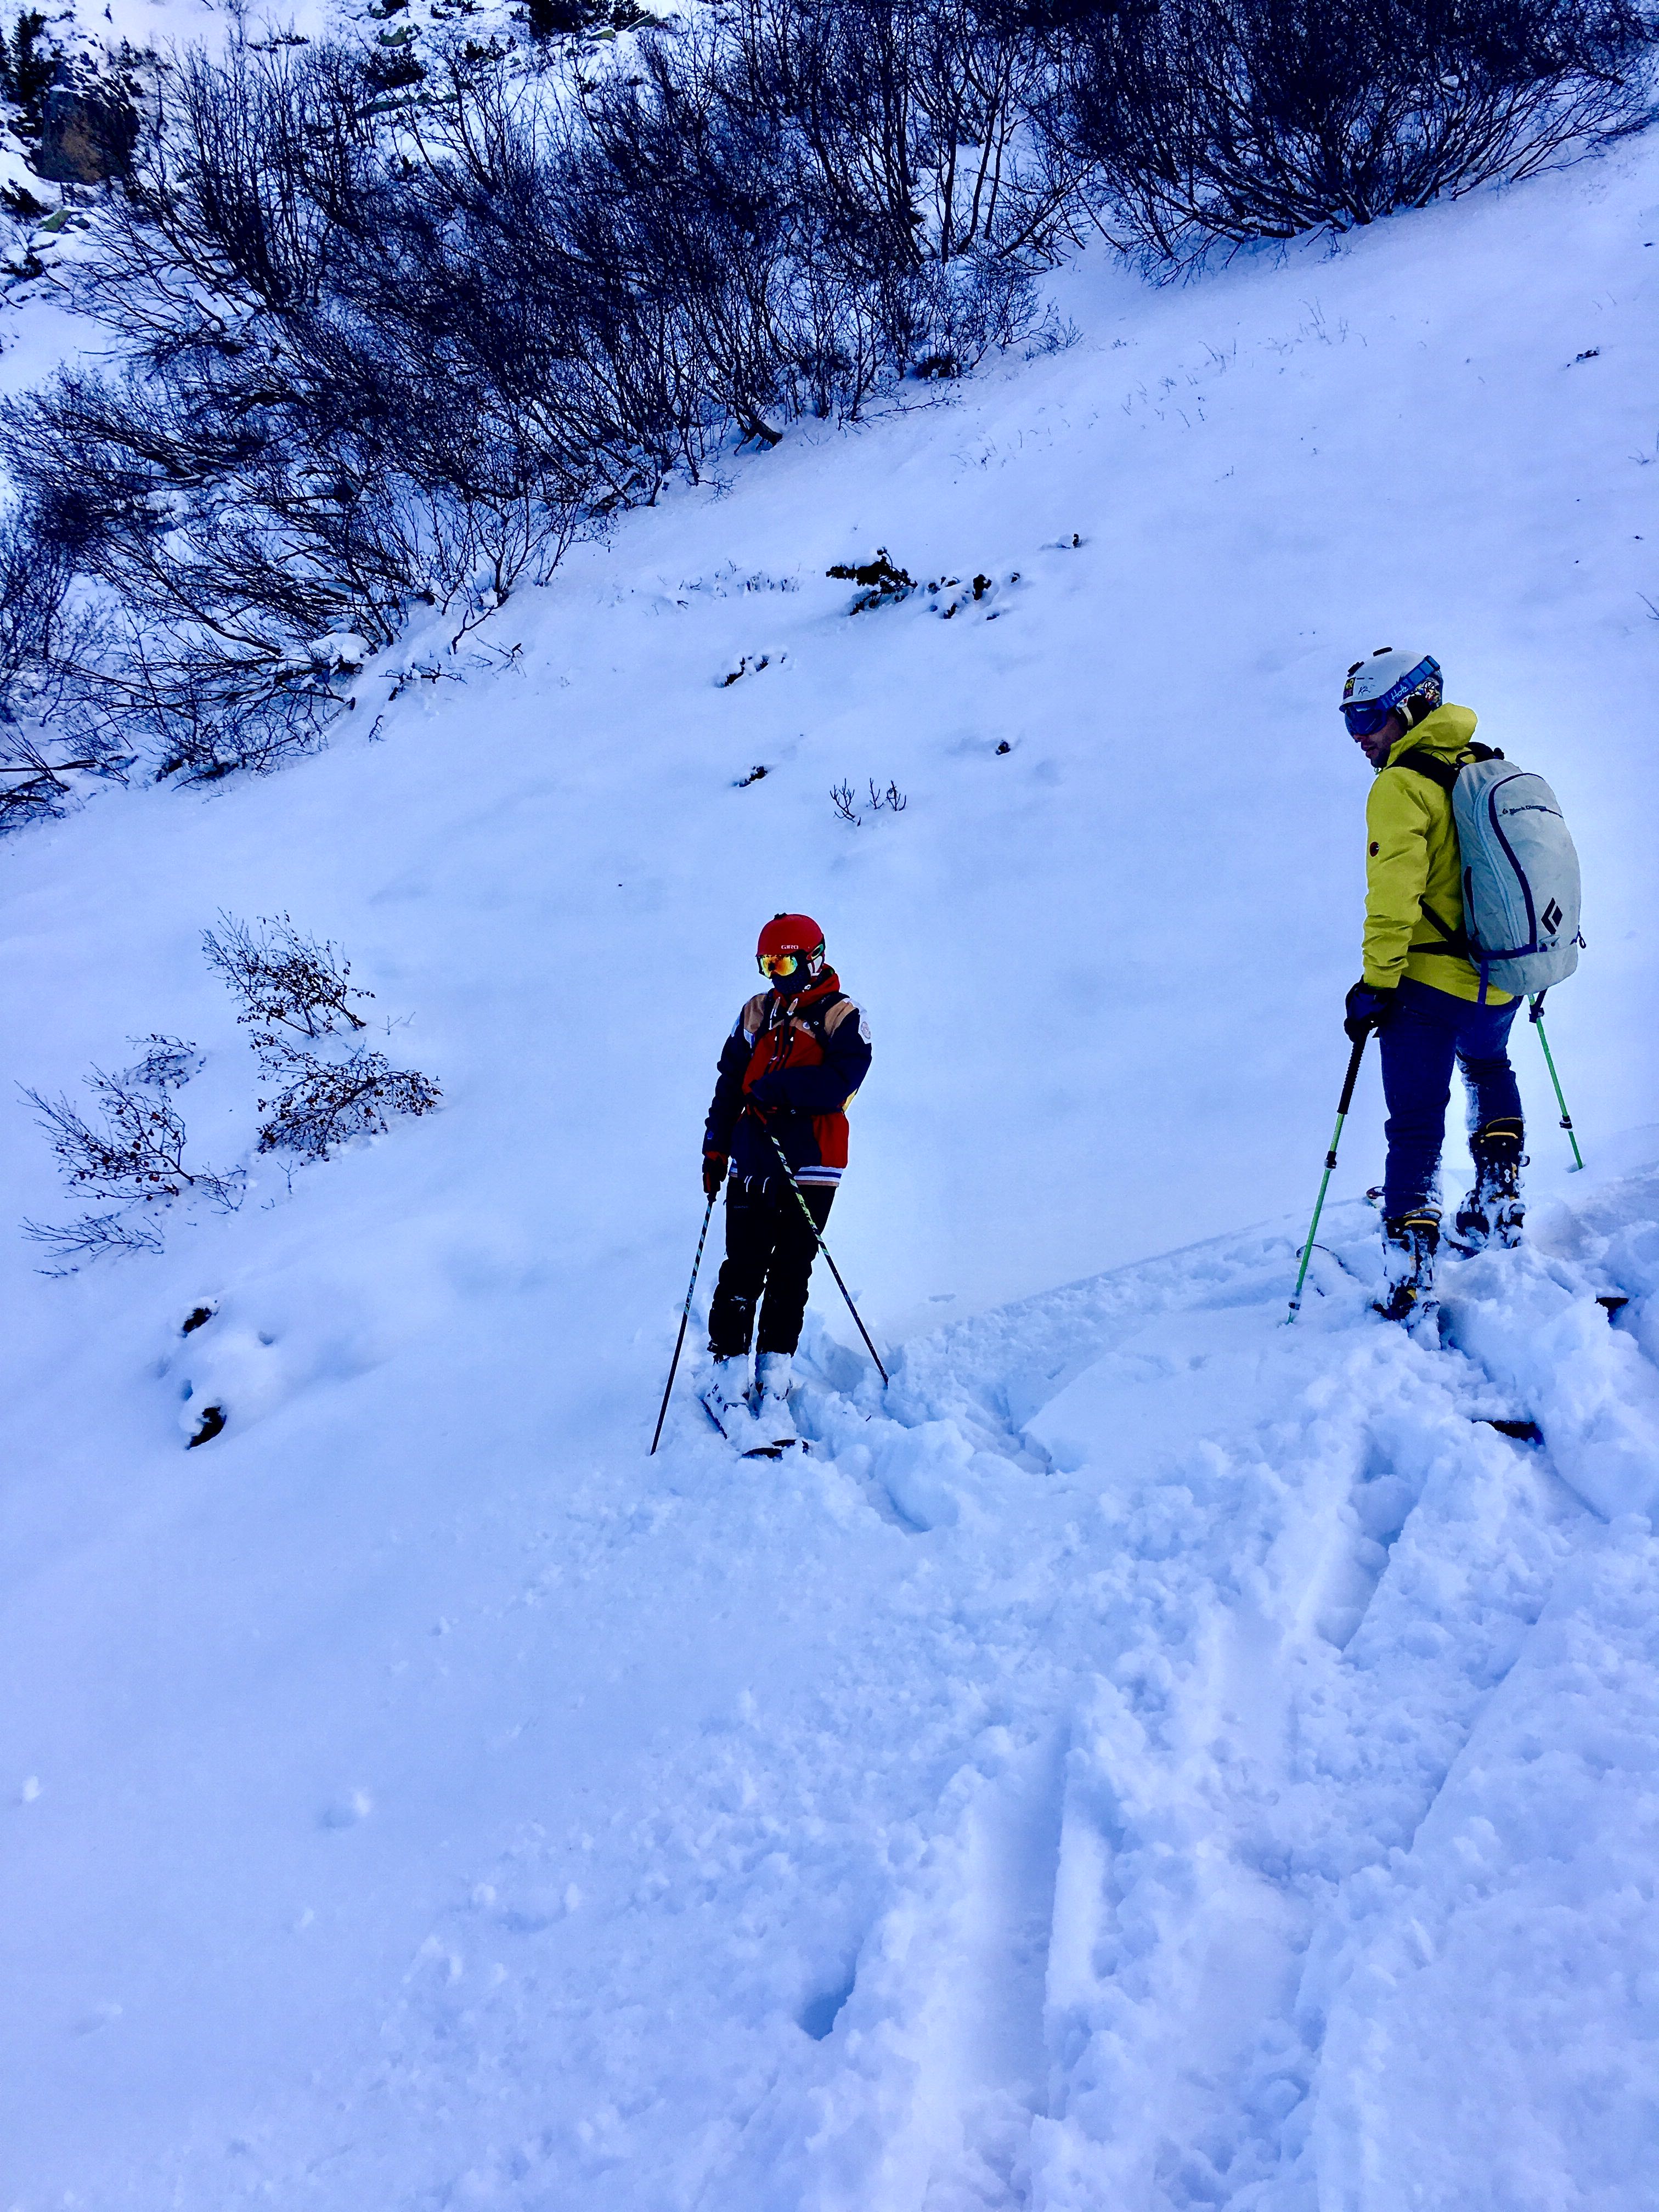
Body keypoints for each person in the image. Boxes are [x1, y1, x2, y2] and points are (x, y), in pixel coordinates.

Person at [1339, 648, 1526, 1325]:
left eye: (1370, 717)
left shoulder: (1401, 785)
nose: (1360, 735)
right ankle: (1499, 1201)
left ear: (1413, 705)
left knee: (1416, 1123)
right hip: (1500, 975)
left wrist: (1374, 985)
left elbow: (1393, 899)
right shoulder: (1483, 762)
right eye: (1350, 720)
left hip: (1426, 986)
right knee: (1489, 1068)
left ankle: (1411, 1273)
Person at [701, 915, 872, 1445]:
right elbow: (731, 1080)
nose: (776, 975)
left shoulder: (844, 1016)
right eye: (767, 965)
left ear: (813, 959)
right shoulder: (756, 1012)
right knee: (743, 1266)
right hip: (753, 1157)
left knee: (792, 1268)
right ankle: (727, 1375)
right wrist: (715, 1145)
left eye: (785, 963)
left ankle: (773, 1376)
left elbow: (842, 1082)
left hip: (813, 1162)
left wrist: (777, 1090)